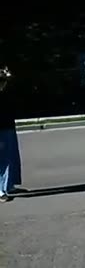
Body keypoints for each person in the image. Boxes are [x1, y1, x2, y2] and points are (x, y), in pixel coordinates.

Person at [0, 66, 23, 202]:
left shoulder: (4, 91)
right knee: (3, 159)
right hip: (1, 128)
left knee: (11, 156)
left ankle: (9, 185)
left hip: (7, 125)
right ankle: (1, 190)